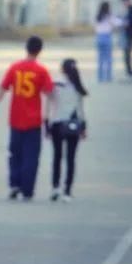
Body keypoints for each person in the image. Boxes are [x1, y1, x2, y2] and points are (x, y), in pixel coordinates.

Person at [0, 36, 54, 200]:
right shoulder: (41, 71)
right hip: (33, 121)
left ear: (26, 48)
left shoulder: (15, 68)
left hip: (16, 118)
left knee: (15, 153)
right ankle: (27, 189)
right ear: (40, 51)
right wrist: (48, 116)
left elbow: (2, 88)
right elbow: (50, 94)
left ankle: (14, 184)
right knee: (31, 156)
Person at [45, 58, 88, 202]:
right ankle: (67, 191)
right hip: (73, 124)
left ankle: (55, 187)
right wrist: (83, 127)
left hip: (57, 123)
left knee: (57, 156)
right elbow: (81, 110)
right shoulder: (78, 86)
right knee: (71, 158)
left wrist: (46, 124)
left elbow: (49, 104)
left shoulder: (55, 84)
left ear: (62, 69)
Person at [95, 1, 123, 83]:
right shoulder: (109, 16)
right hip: (107, 37)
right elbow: (119, 23)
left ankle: (100, 77)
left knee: (100, 59)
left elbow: (95, 26)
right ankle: (108, 77)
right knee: (108, 59)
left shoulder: (98, 16)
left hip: (99, 37)